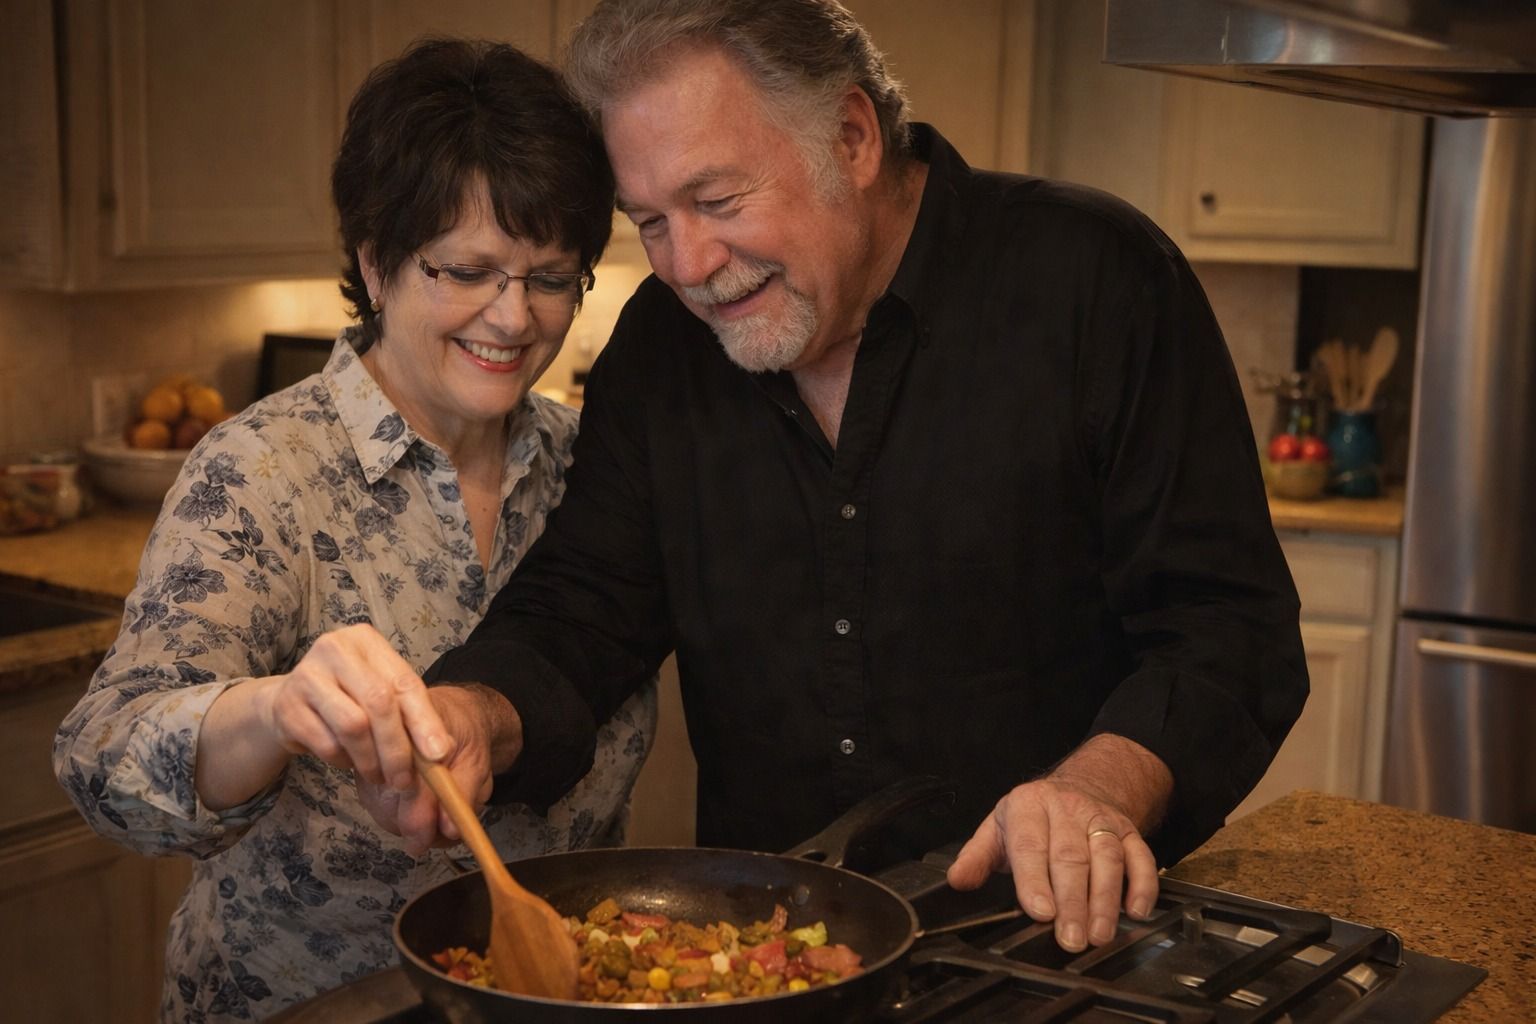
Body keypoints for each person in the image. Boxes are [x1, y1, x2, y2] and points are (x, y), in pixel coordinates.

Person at [423, 0, 1309, 957]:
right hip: (768, 964)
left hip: (1052, 948)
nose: (689, 265)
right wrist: (480, 712)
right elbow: (588, 604)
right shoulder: (661, 347)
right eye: (651, 222)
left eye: (717, 203)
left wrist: (1097, 787)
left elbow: (1228, 629)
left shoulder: (1097, 283)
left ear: (851, 137)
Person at [52, 39, 656, 1022]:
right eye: (468, 270)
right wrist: (274, 708)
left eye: (552, 277)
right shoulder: (266, 471)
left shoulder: (596, 469)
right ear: (376, 263)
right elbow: (102, 763)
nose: (514, 318)